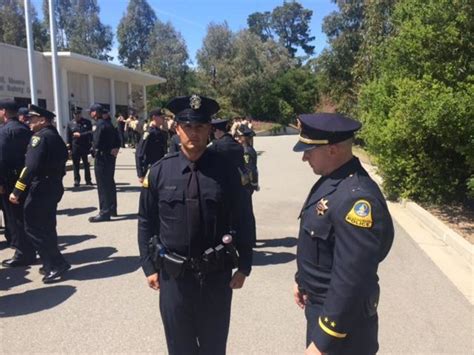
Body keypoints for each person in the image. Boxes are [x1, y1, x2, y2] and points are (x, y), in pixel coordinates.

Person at [138, 94, 253, 355]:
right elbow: (146, 221)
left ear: (210, 131)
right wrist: (148, 266)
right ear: (176, 128)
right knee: (180, 348)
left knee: (214, 347)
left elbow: (244, 218)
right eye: (187, 126)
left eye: (200, 127)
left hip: (216, 277)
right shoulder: (159, 172)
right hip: (173, 278)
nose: (194, 133)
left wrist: (245, 265)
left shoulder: (227, 171)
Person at [292, 113, 394, 355]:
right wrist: (302, 280)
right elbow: (322, 246)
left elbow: (353, 277)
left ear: (333, 150)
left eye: (309, 150)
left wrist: (325, 340)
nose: (304, 157)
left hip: (343, 325)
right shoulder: (333, 180)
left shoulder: (356, 198)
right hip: (323, 307)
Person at [9, 104, 70, 283]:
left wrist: (17, 190)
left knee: (34, 227)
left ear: (42, 120)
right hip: (53, 185)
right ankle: (52, 262)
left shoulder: (39, 138)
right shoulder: (55, 136)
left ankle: (56, 264)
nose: (29, 122)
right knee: (47, 226)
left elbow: (31, 167)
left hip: (41, 187)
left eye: (33, 119)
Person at [208, 118, 257, 246]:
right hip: (239, 187)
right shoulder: (236, 145)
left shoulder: (216, 146)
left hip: (222, 187)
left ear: (217, 131)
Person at [0, 99, 34, 266]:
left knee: (14, 218)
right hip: (26, 178)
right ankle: (30, 249)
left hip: (10, 179)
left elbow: (1, 159)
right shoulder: (25, 129)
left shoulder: (4, 131)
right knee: (25, 215)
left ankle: (23, 253)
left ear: (4, 112)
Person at [88, 103, 120, 222]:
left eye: (91, 111)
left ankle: (104, 212)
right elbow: (117, 139)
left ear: (95, 112)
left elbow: (96, 142)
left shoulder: (99, 125)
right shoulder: (109, 124)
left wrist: (92, 152)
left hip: (102, 157)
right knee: (110, 183)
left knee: (102, 186)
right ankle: (112, 209)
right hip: (110, 157)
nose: (90, 113)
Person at [135, 108, 168, 184]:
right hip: (151, 168)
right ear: (154, 117)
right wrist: (140, 174)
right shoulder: (149, 133)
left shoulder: (161, 132)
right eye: (161, 117)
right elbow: (139, 153)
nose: (163, 119)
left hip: (160, 167)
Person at [67, 106, 93, 187]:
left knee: (86, 164)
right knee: (76, 165)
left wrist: (81, 135)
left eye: (78, 114)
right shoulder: (70, 123)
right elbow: (68, 136)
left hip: (85, 146)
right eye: (75, 114)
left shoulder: (87, 122)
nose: (77, 115)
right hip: (75, 147)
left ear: (80, 114)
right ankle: (77, 180)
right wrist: (69, 148)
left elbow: (90, 132)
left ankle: (88, 180)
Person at [236, 125, 259, 193]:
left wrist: (254, 184)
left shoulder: (246, 151)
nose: (238, 138)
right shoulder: (247, 149)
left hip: (246, 184)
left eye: (239, 137)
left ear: (244, 138)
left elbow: (250, 169)